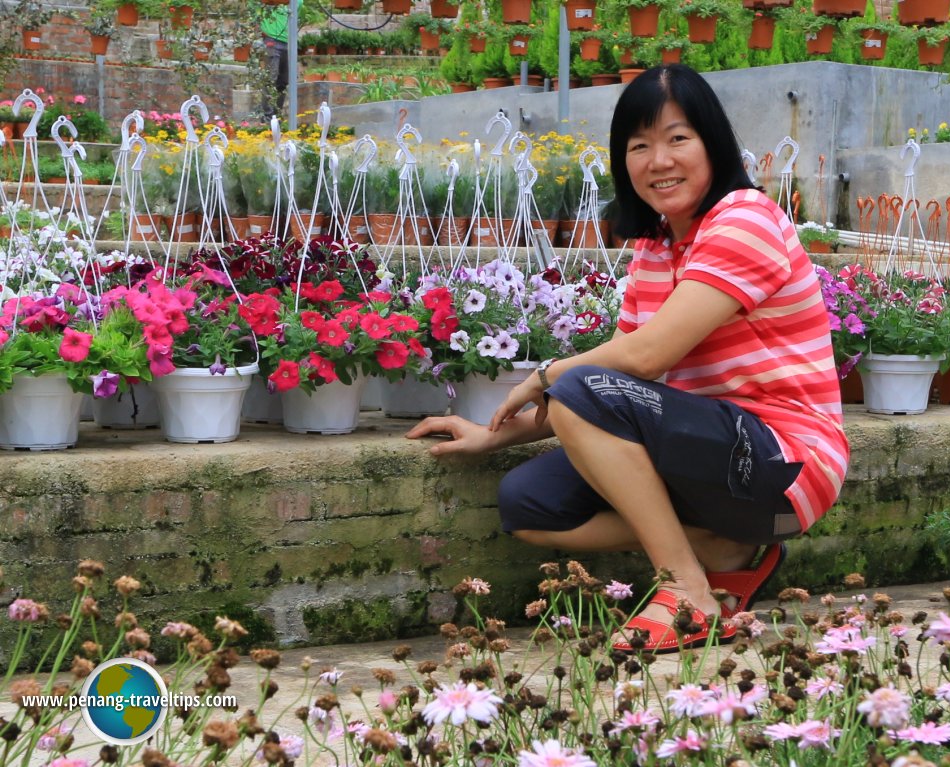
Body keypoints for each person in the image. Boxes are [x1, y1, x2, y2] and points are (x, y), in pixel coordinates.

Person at [407, 64, 849, 653]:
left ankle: (685, 588)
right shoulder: (655, 247)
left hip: (783, 461)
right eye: (639, 146)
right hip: (707, 459)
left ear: (712, 143)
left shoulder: (746, 219)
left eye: (677, 138)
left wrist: (544, 374)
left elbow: (641, 359)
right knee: (529, 505)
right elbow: (606, 390)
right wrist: (494, 435)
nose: (658, 160)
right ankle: (721, 550)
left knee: (580, 385)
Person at [259, 0, 301, 121]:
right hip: (272, 40)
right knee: (270, 78)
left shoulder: (296, 2)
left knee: (284, 80)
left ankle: (276, 115)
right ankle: (267, 115)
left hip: (289, 42)